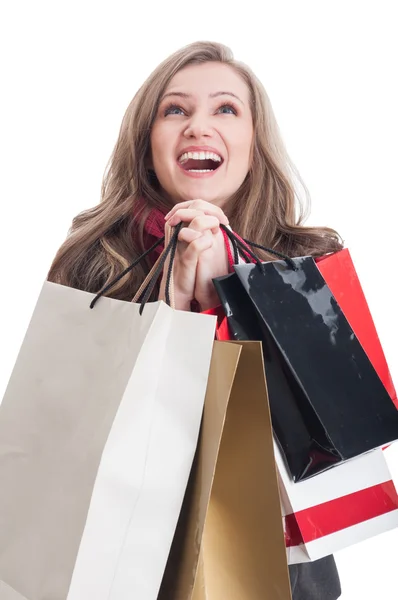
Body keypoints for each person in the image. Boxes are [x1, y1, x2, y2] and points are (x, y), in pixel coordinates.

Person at [48, 40, 342, 599]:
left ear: (254, 146)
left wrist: (225, 293)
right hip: (123, 568)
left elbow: (340, 437)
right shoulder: (91, 261)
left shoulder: (309, 261)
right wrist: (174, 303)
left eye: (226, 109)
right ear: (147, 145)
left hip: (286, 572)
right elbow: (67, 434)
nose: (197, 127)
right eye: (175, 110)